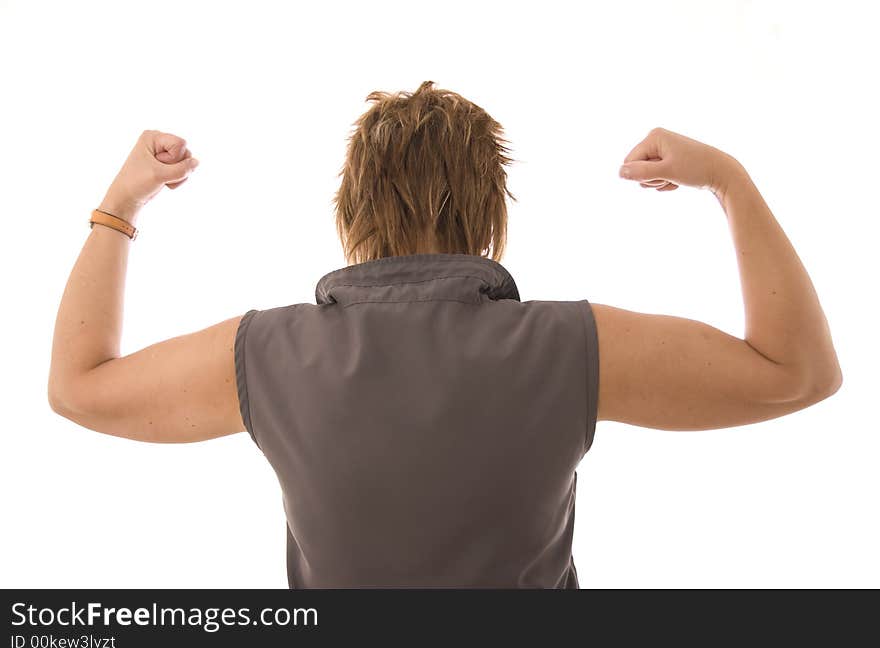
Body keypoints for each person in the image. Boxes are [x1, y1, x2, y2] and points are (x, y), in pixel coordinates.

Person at [48, 81, 842, 588]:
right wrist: (728, 182)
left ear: (351, 215)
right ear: (489, 217)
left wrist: (123, 203)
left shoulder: (269, 355)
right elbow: (798, 371)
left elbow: (78, 387)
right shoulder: (565, 346)